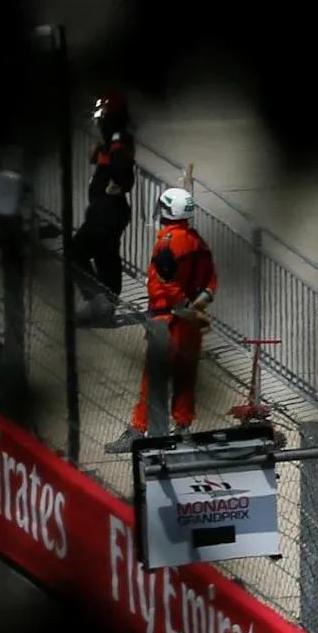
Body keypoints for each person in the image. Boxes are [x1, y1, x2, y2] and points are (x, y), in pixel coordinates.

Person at [112, 187, 216, 451]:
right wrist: (195, 308)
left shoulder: (167, 242)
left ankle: (139, 429)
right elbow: (211, 283)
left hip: (167, 320)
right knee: (186, 377)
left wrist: (182, 307)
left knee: (153, 377)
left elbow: (164, 285)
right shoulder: (199, 242)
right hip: (190, 321)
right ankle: (182, 428)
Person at [73, 94, 137, 325]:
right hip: (109, 212)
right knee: (106, 257)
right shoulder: (113, 141)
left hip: (106, 212)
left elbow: (124, 176)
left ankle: (99, 301)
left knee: (75, 252)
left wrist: (116, 186)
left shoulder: (118, 142)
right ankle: (105, 307)